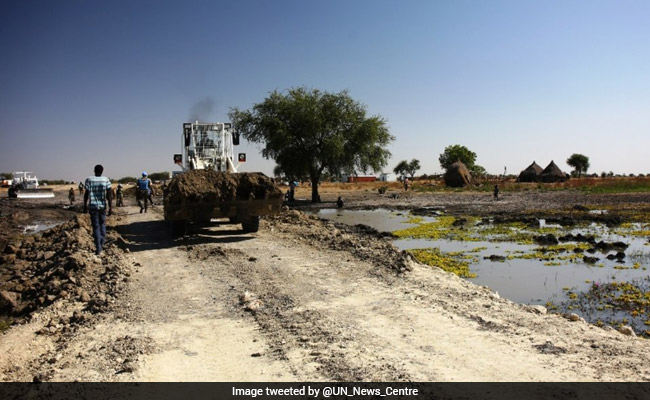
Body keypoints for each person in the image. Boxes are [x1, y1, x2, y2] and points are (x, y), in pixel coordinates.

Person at [83, 164, 112, 256]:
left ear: (94, 170)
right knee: (102, 224)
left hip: (93, 206)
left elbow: (86, 194)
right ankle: (101, 243)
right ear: (102, 171)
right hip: (103, 206)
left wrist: (84, 205)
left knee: (95, 226)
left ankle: (98, 248)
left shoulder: (89, 180)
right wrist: (111, 207)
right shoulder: (106, 180)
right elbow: (109, 195)